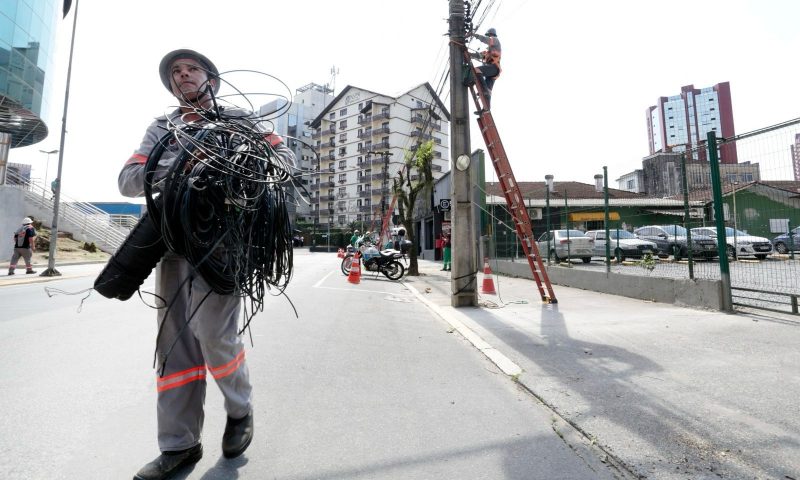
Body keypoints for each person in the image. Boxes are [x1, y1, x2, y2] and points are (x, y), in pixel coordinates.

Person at [118, 48, 296, 480]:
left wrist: (228, 167)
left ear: (211, 79)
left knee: (215, 336)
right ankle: (178, 446)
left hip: (223, 244)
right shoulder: (162, 128)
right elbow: (127, 180)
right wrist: (182, 165)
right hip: (173, 243)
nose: (183, 75)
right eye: (175, 72)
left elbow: (285, 163)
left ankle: (240, 409)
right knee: (174, 348)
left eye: (191, 69)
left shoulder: (241, 121)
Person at [469, 27, 501, 112]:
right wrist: (470, 54)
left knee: (476, 70)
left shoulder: (495, 40)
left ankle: (484, 90)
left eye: (489, 35)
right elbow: (479, 55)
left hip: (494, 68)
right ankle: (486, 109)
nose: (489, 37)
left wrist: (474, 35)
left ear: (491, 34)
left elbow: (487, 40)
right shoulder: (488, 52)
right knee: (488, 92)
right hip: (494, 72)